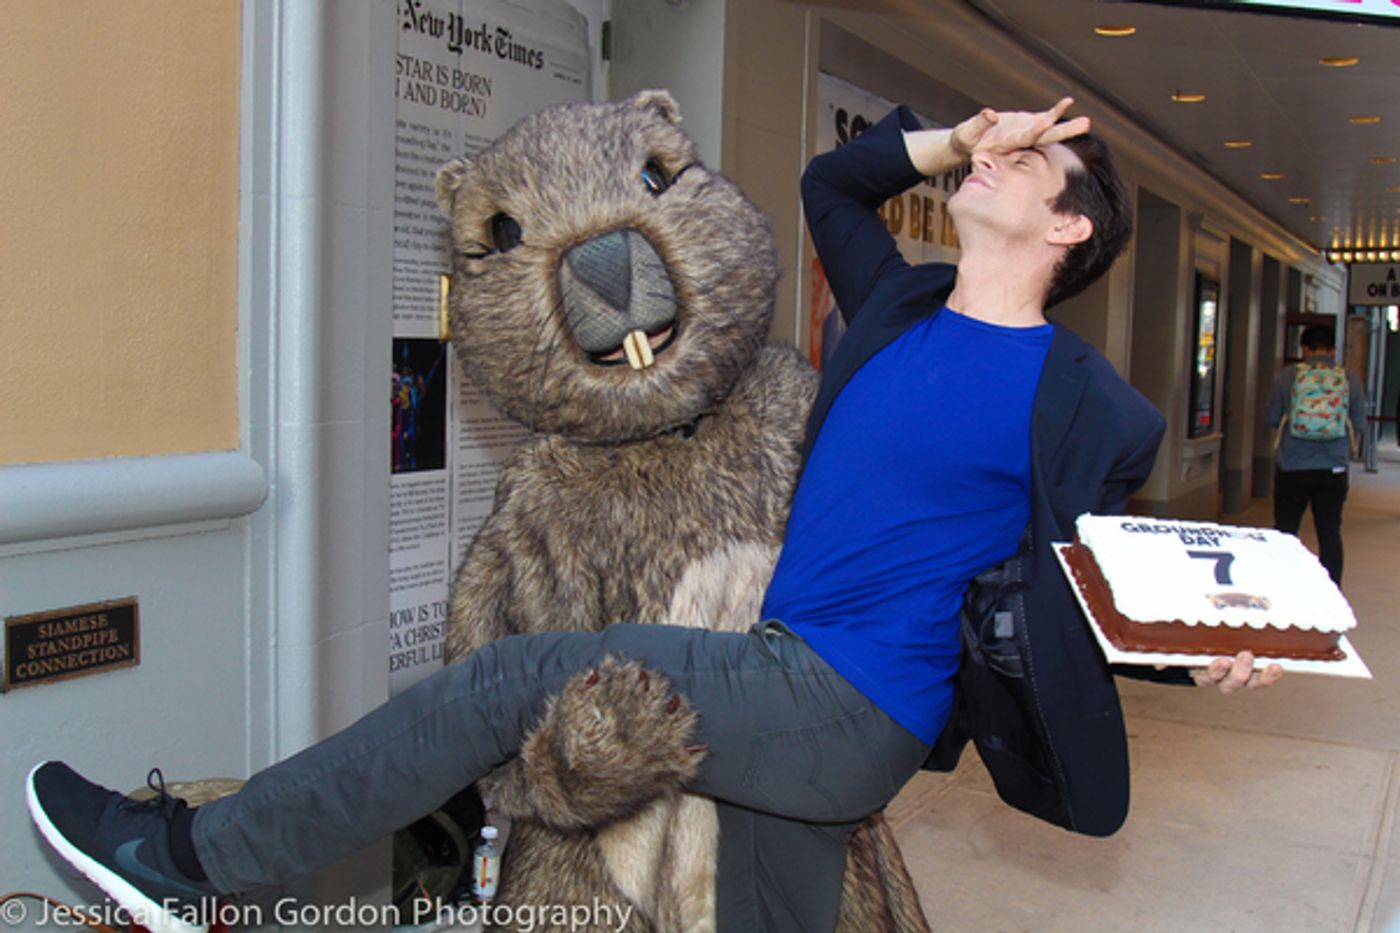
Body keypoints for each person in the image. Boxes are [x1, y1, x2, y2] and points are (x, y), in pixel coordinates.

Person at [26, 98, 1280, 933]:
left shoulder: (1081, 402)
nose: (998, 161)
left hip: (849, 700)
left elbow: (1089, 576)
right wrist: (959, 135)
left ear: (1068, 226)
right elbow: (830, 182)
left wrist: (1194, 644)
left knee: (506, 682)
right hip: (785, 679)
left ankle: (192, 864)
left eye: (1031, 164)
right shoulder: (901, 306)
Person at [1266, 324, 1365, 584]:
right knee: (1329, 532)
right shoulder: (1349, 378)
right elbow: (1360, 423)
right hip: (1333, 469)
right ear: (1333, 350)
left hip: (1292, 466)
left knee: (1286, 532)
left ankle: (1281, 586)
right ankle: (1331, 593)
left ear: (1304, 349)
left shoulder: (1288, 376)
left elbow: (1272, 417)